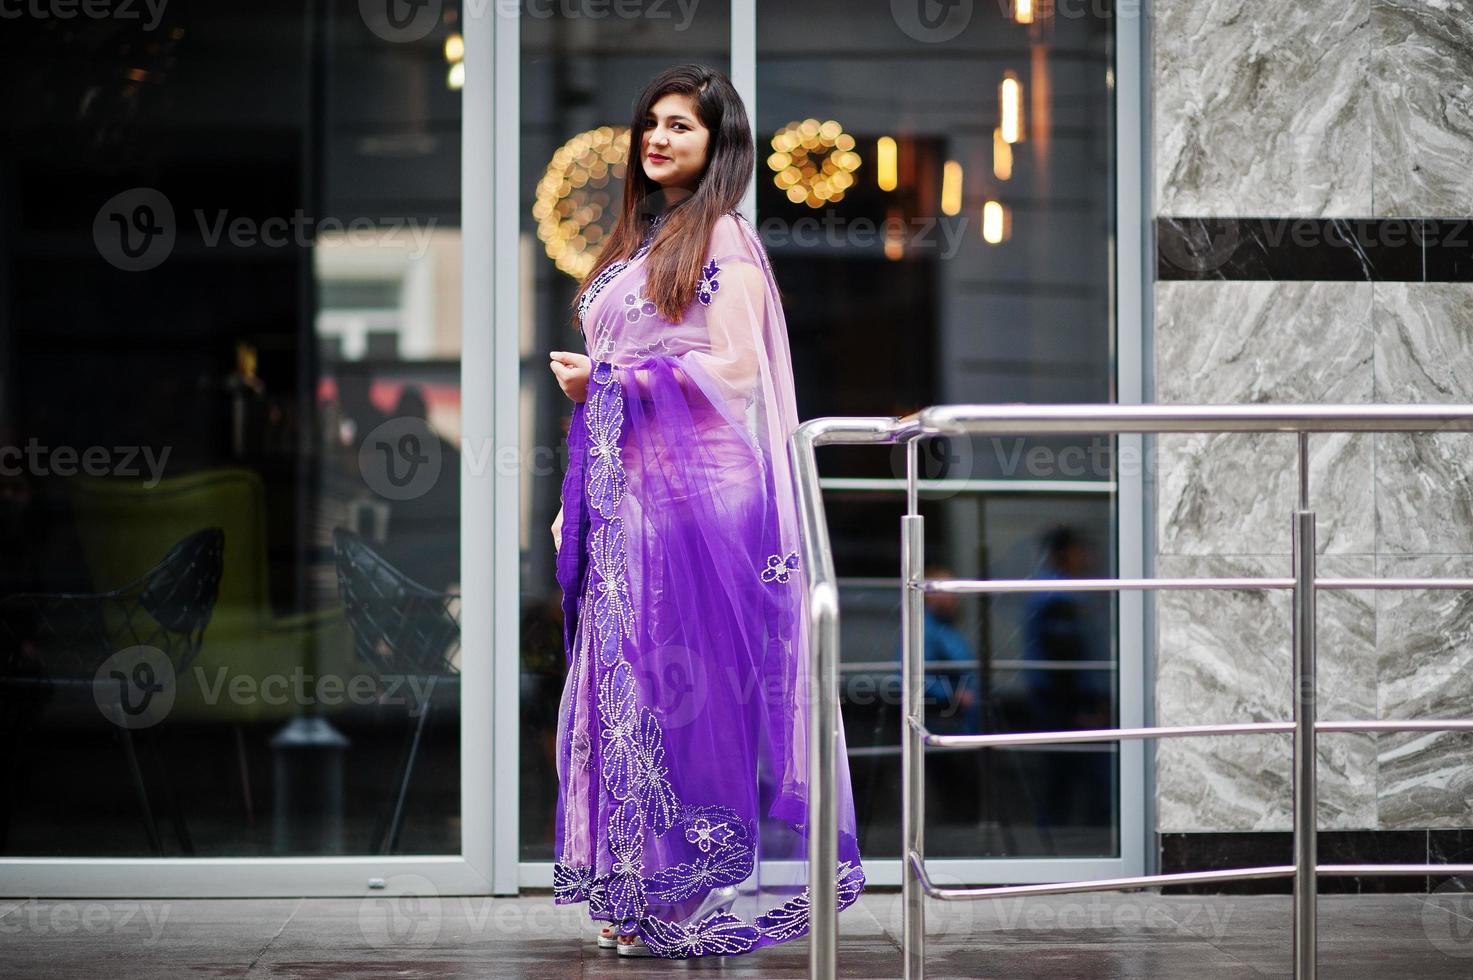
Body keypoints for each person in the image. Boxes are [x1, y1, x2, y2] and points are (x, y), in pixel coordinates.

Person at [544, 65, 865, 960]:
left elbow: (736, 371)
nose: (657, 138)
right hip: (633, 492)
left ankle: (680, 892)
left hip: (697, 497)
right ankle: (639, 887)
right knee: (626, 688)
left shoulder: (721, 234)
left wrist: (608, 378)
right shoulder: (649, 237)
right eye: (649, 123)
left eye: (679, 126)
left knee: (677, 689)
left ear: (716, 144)